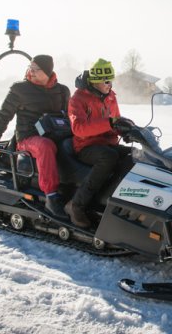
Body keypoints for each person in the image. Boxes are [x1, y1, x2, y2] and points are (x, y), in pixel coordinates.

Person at [0, 55, 71, 217]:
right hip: (28, 138)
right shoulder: (20, 90)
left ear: (47, 72)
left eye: (35, 69)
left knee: (73, 145)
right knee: (45, 146)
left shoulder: (62, 91)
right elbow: (3, 117)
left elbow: (70, 116)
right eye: (30, 67)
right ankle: (51, 197)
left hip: (57, 134)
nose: (30, 72)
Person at [66, 58, 134, 228]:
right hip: (86, 146)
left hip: (107, 143)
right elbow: (79, 128)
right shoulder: (77, 99)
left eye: (111, 80)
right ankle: (76, 205)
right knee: (108, 157)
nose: (110, 85)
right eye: (106, 81)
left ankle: (120, 200)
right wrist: (110, 123)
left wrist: (126, 130)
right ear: (96, 80)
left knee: (133, 156)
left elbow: (115, 121)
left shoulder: (110, 97)